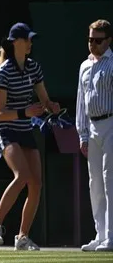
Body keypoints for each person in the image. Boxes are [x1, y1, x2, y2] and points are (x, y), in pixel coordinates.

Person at [0, 23, 60, 250]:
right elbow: (0, 113)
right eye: (27, 39)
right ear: (16, 42)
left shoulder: (34, 67)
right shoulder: (4, 72)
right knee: (22, 176)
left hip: (25, 129)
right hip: (6, 130)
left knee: (36, 183)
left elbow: (44, 99)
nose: (30, 44)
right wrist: (25, 112)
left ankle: (22, 237)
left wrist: (51, 106)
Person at [76, 19, 113, 252]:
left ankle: (111, 236)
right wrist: (82, 134)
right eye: (90, 39)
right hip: (92, 126)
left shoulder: (112, 64)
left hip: (111, 122)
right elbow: (81, 100)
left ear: (108, 41)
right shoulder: (84, 66)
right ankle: (100, 235)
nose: (93, 44)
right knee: (95, 183)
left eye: (98, 40)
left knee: (110, 181)